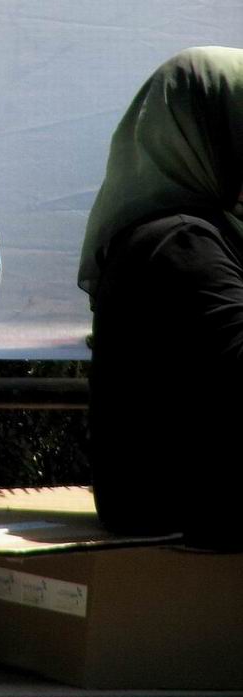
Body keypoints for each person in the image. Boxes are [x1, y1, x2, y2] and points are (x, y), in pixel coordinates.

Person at [78, 46, 243, 551]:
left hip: (170, 500)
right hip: (183, 506)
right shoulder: (181, 240)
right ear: (215, 129)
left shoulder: (176, 231)